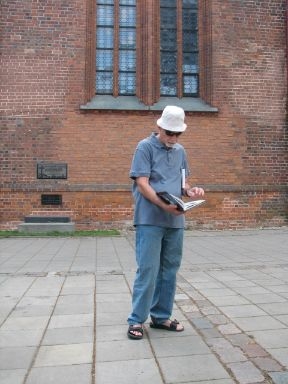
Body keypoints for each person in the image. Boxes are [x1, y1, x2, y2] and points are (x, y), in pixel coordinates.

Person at [127, 105, 205, 340]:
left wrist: (191, 192)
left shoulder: (180, 150)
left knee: (169, 270)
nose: (172, 138)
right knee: (148, 270)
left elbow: (183, 184)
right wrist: (163, 206)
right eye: (169, 133)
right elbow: (142, 182)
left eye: (177, 134)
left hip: (175, 220)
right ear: (159, 127)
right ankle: (136, 320)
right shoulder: (144, 147)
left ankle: (161, 317)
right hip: (150, 218)